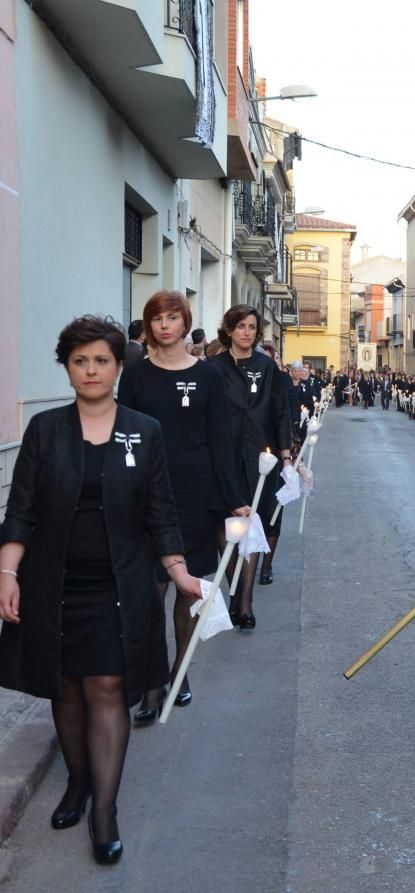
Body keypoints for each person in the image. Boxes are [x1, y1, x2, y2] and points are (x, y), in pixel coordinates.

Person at [0, 315, 204, 865]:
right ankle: (78, 782)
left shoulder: (145, 429)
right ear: (67, 367)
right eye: (80, 361)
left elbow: (161, 512)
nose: (91, 370)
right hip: (53, 582)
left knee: (108, 687)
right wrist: (7, 573)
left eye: (101, 361)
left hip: (121, 581)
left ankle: (105, 810)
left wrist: (181, 573)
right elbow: (20, 509)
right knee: (64, 689)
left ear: (119, 366)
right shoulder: (46, 430)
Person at [118, 291, 250, 723]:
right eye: (157, 318)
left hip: (195, 494)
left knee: (187, 587)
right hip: (146, 492)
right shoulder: (135, 375)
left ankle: (180, 671)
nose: (164, 325)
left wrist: (235, 500)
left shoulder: (208, 376)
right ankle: (153, 683)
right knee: (152, 589)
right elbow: (125, 436)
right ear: (149, 324)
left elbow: (220, 440)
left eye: (173, 317)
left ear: (184, 321)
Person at [210, 305, 293, 625]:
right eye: (241, 326)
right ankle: (234, 588)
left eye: (252, 327)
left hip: (260, 458)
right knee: (224, 526)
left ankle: (245, 604)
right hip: (223, 456)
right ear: (229, 329)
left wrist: (285, 456)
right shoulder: (213, 367)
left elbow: (280, 411)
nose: (247, 332)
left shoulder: (266, 366)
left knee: (253, 525)